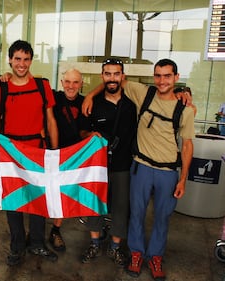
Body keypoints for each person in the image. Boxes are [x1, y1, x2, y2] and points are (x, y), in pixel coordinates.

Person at [83, 59, 194, 280]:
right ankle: (136, 253)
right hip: (141, 167)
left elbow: (188, 145)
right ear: (154, 77)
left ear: (176, 77)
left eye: (167, 76)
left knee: (162, 216)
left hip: (168, 171)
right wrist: (90, 95)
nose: (162, 81)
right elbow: (112, 81)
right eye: (158, 76)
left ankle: (155, 256)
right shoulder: (144, 94)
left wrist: (183, 179)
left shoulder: (186, 109)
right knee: (136, 214)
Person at [0, 40, 59, 266]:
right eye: (17, 59)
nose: (21, 64)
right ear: (10, 60)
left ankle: (37, 242)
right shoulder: (2, 86)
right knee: (14, 200)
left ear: (31, 61)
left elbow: (50, 120)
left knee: (39, 197)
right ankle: (17, 246)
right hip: (11, 153)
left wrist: (55, 153)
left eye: (26, 59)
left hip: (37, 150)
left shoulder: (42, 85)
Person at [79, 58, 136, 267]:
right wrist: (89, 135)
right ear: (102, 77)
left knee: (121, 208)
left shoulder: (132, 105)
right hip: (97, 167)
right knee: (94, 205)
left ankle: (114, 247)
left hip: (122, 166)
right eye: (108, 74)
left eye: (116, 73)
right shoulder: (92, 103)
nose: (112, 78)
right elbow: (82, 131)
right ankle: (94, 242)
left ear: (123, 76)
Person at [48, 68, 84, 252]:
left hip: (72, 158)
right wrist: (5, 76)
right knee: (43, 193)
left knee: (62, 196)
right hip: (50, 154)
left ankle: (56, 230)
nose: (71, 86)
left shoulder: (86, 102)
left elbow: (85, 130)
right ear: (62, 83)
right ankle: (35, 232)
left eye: (75, 82)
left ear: (81, 84)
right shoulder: (54, 97)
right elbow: (33, 79)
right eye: (68, 82)